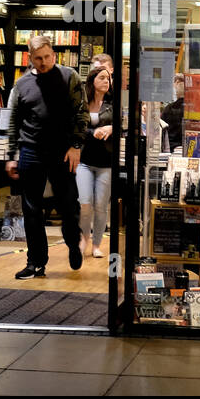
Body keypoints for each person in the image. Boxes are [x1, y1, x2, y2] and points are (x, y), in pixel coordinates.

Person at [5, 35, 89, 279]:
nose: (43, 62)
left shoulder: (69, 76)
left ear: (54, 54)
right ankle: (36, 263)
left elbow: (81, 112)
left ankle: (73, 244)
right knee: (31, 209)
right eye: (38, 58)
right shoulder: (21, 85)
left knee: (68, 204)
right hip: (31, 151)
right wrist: (11, 155)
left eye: (47, 57)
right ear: (30, 58)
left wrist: (76, 145)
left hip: (63, 150)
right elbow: (13, 122)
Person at [77, 67, 115, 258]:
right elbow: (76, 127)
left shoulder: (113, 103)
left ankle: (97, 244)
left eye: (108, 78)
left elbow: (124, 124)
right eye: (102, 78)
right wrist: (94, 133)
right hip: (84, 160)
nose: (106, 81)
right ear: (92, 81)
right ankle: (84, 237)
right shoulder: (82, 103)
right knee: (85, 203)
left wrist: (111, 127)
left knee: (101, 205)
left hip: (106, 162)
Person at [162, 73, 185, 151]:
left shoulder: (168, 109)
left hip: (170, 148)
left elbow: (162, 128)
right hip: (185, 147)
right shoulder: (191, 110)